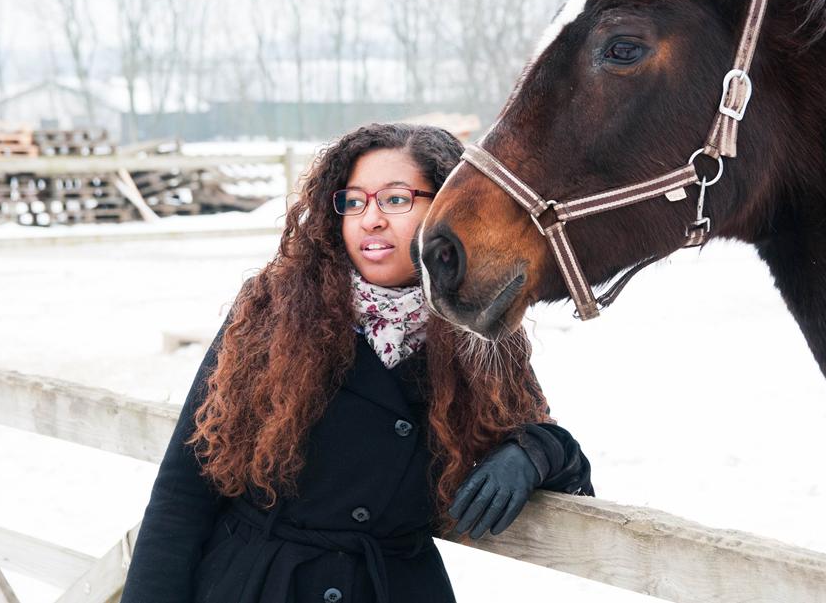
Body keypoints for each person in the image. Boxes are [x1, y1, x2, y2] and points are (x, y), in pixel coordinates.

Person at [120, 122, 593, 603]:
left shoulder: (477, 325)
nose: (371, 219)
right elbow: (184, 491)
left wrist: (530, 454)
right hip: (262, 584)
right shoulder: (276, 309)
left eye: (395, 199)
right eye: (354, 202)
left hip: (390, 586)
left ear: (448, 208)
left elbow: (554, 449)